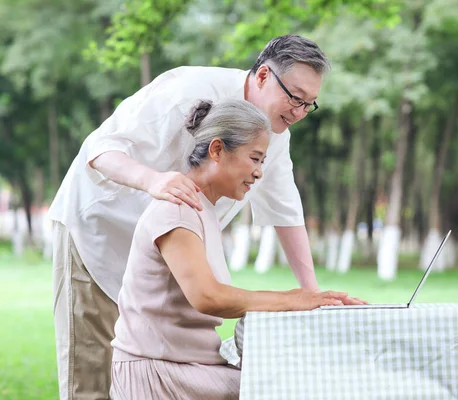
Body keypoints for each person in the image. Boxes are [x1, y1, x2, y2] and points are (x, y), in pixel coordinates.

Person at [48, 34, 364, 399]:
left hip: (169, 267)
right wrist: (153, 180)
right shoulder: (187, 89)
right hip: (99, 232)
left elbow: (285, 209)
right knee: (90, 380)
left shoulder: (273, 133)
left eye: (309, 105)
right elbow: (99, 148)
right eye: (294, 97)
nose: (298, 112)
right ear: (263, 75)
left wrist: (313, 295)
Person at [109, 99, 349, 399]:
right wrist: (291, 299)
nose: (259, 172)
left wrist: (304, 300)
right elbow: (208, 297)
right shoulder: (177, 210)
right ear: (217, 150)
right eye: (255, 158)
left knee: (297, 381)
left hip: (190, 368)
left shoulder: (203, 210)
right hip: (158, 374)